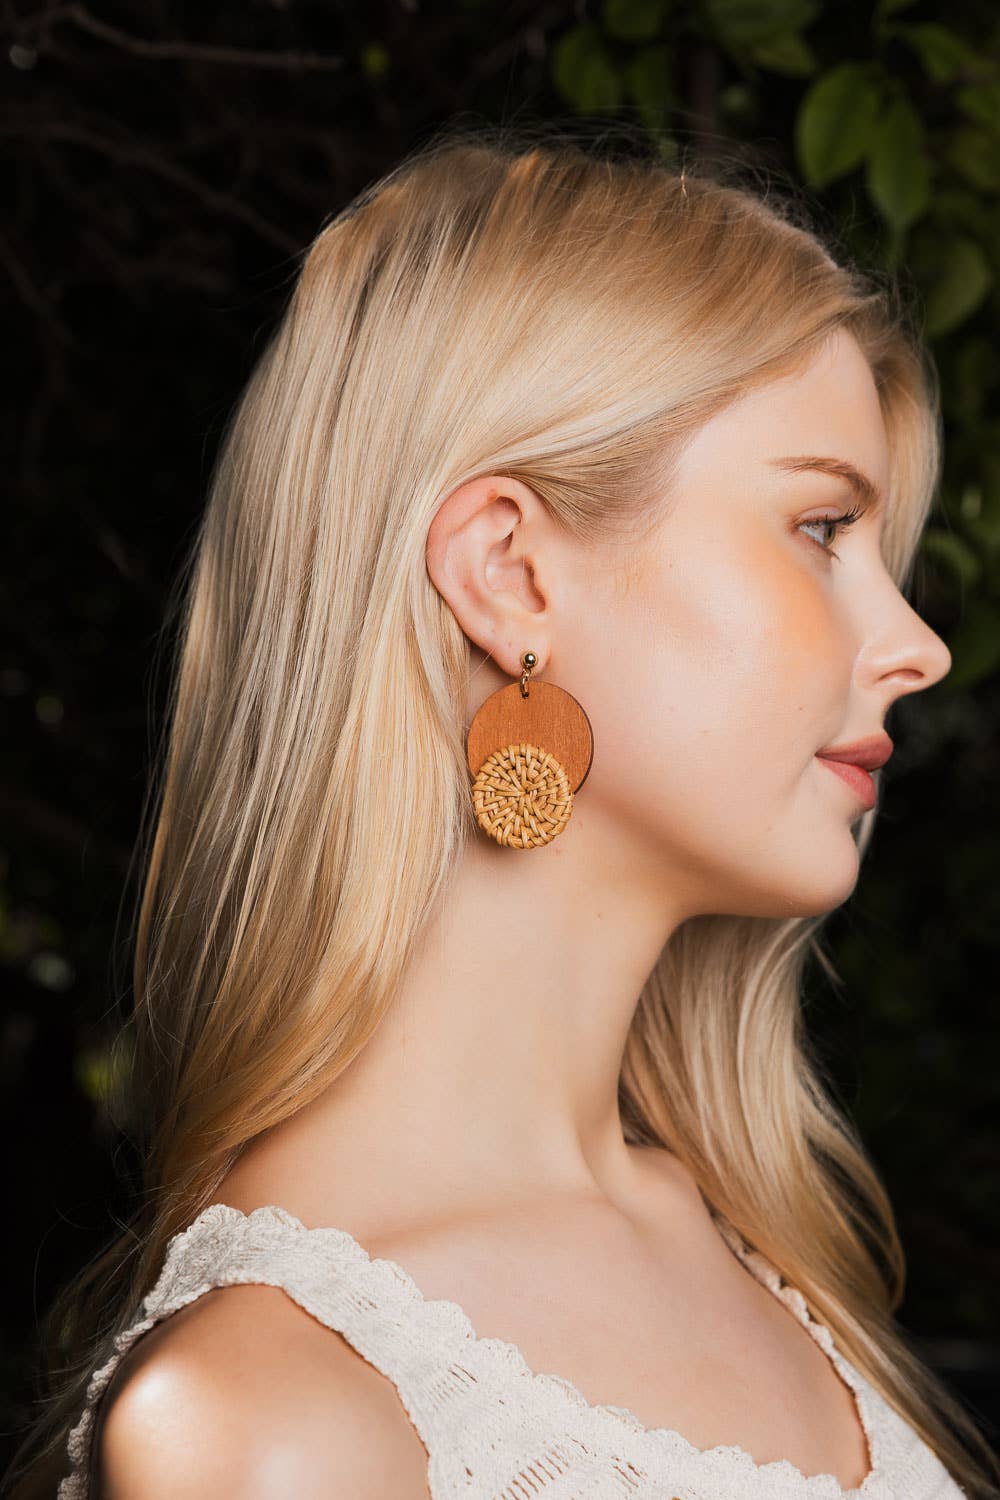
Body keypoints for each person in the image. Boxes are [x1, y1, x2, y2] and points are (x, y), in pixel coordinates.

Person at [8, 125, 997, 1500]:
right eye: (823, 531)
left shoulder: (749, 1248)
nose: (916, 645)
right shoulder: (270, 1423)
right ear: (510, 574)